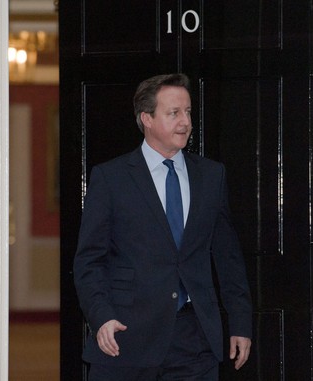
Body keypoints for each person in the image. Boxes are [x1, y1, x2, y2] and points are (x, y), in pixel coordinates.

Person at [73, 73, 253, 380]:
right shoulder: (111, 178)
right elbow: (89, 260)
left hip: (194, 340)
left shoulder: (211, 176)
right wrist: (101, 317)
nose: (185, 122)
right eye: (173, 113)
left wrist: (240, 323)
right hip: (126, 337)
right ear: (147, 119)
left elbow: (228, 258)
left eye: (188, 112)